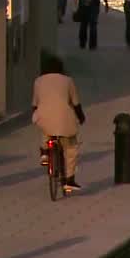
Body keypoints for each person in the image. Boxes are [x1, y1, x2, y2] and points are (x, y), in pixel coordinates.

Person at [32, 55, 85, 192]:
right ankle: (69, 180)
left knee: (46, 129)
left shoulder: (38, 81)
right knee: (71, 148)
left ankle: (44, 152)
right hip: (63, 117)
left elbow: (35, 104)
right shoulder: (68, 81)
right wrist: (81, 117)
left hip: (43, 116)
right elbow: (75, 103)